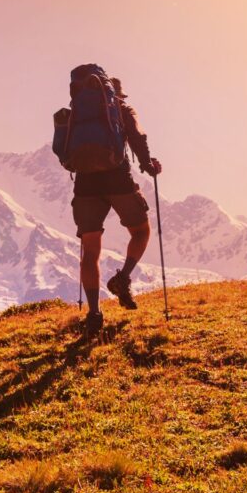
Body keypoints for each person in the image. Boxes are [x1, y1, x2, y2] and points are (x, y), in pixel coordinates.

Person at [55, 66, 162, 333]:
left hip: (85, 184)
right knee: (140, 231)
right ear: (115, 94)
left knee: (90, 252)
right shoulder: (122, 110)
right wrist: (148, 165)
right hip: (118, 178)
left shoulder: (77, 116)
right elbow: (137, 136)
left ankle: (94, 313)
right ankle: (123, 278)